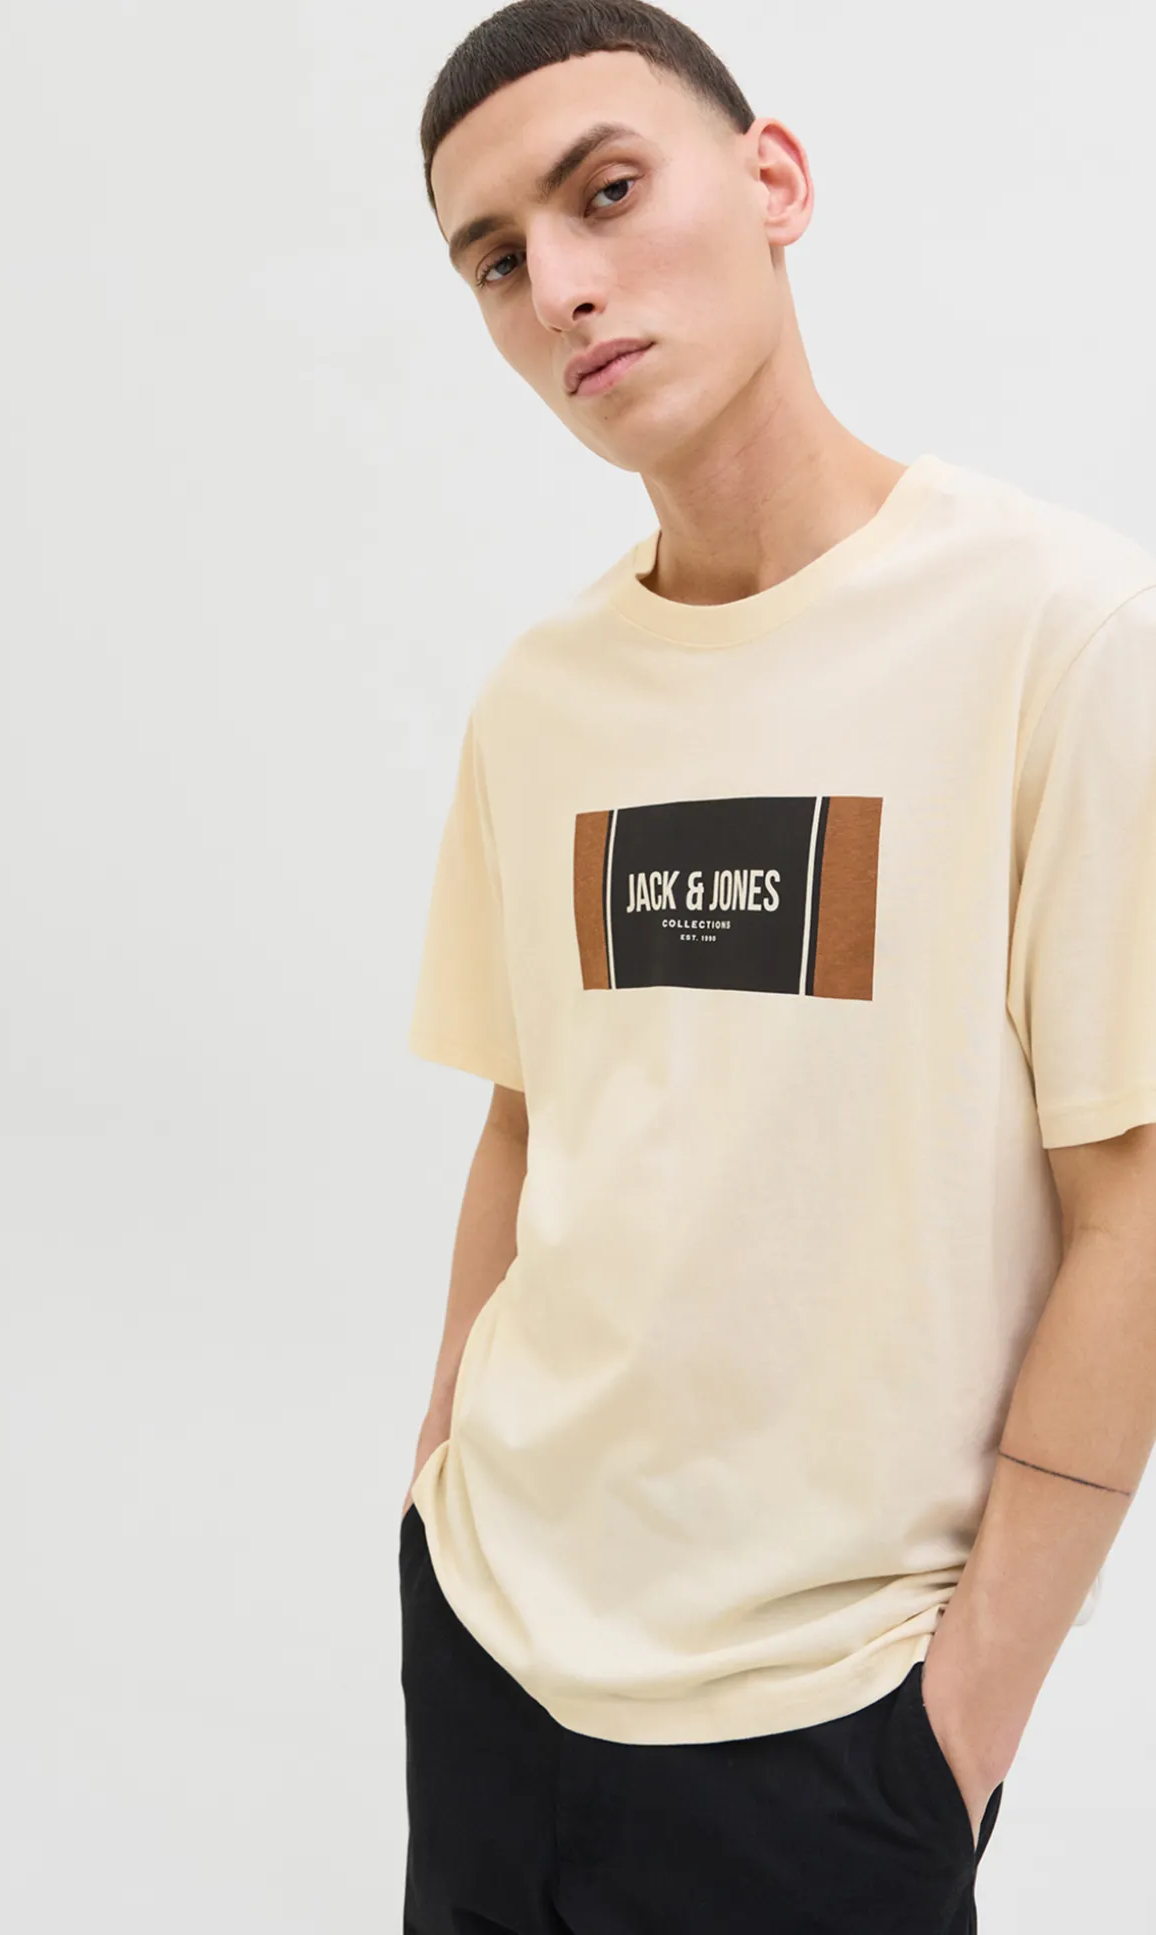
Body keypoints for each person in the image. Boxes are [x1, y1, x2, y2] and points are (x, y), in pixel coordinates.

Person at [396, 4, 1156, 1930]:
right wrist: (435, 1484)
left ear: (774, 182)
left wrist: (957, 1722)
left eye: (604, 192)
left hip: (829, 1725)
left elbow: (1133, 1200)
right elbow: (523, 1120)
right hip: (489, 1644)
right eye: (496, 260)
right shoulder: (541, 698)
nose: (560, 287)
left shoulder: (1059, 632)